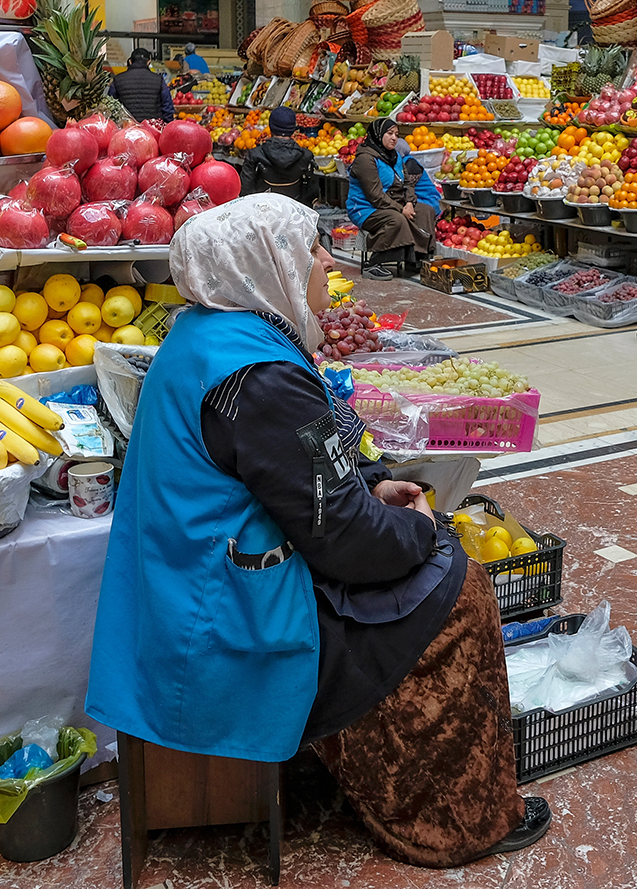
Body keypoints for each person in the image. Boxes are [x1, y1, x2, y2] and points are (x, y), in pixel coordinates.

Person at [86, 195, 550, 865]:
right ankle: (455, 817)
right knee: (460, 591)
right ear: (263, 266)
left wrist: (365, 484)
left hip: (194, 580)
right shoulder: (258, 374)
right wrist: (421, 528)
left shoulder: (209, 335)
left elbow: (290, 475)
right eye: (310, 248)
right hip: (221, 614)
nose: (327, 260)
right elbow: (346, 541)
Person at [346, 117, 439, 280]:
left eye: (397, 134)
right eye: (389, 133)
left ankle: (416, 258)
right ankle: (374, 263)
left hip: (395, 202)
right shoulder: (365, 159)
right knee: (396, 220)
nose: (394, 138)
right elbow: (375, 195)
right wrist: (401, 209)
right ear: (378, 134)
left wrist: (410, 202)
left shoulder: (394, 156)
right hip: (366, 208)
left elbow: (408, 183)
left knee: (425, 211)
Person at [242, 106, 318, 207]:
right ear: (293, 129)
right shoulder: (306, 156)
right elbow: (312, 193)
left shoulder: (255, 155)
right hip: (294, 213)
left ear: (270, 127)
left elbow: (245, 192)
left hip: (263, 214)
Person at [111, 45, 171, 121]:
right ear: (149, 61)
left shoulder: (117, 79)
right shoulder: (159, 80)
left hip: (126, 128)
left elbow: (110, 106)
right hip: (153, 128)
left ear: (130, 61)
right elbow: (167, 106)